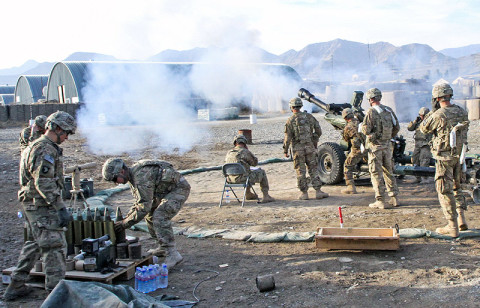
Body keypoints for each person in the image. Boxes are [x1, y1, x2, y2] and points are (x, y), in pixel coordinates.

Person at [4, 111, 75, 301]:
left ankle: (16, 285)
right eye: (66, 132)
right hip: (42, 205)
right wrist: (60, 207)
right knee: (54, 247)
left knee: (35, 244)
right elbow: (43, 182)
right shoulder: (45, 149)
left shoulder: (34, 145)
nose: (67, 137)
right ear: (57, 128)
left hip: (33, 205)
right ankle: (56, 297)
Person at [102, 158, 190, 269]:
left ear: (121, 171)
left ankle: (172, 253)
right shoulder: (132, 177)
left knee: (159, 216)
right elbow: (139, 203)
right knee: (150, 216)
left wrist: (125, 223)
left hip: (178, 189)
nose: (116, 183)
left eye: (115, 179)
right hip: (164, 191)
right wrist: (127, 217)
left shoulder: (140, 177)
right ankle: (162, 246)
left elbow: (144, 207)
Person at [420, 83, 469, 237]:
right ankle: (461, 219)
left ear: (437, 97)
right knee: (457, 187)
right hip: (459, 156)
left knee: (444, 190)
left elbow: (424, 128)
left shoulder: (438, 115)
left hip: (444, 158)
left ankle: (452, 226)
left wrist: (433, 111)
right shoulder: (461, 111)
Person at [362, 88, 400, 209]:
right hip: (387, 147)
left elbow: (366, 130)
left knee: (376, 173)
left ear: (371, 99)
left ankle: (380, 200)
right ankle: (394, 198)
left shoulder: (371, 112)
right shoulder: (388, 110)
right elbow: (396, 127)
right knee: (389, 172)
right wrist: (387, 138)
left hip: (375, 148)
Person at [283, 97, 328, 200]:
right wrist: (314, 140)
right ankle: (318, 191)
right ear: (300, 106)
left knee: (300, 171)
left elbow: (287, 138)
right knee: (313, 169)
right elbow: (318, 131)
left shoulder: (290, 121)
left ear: (291, 107)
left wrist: (285, 150)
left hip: (298, 150)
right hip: (310, 148)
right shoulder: (309, 117)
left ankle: (304, 193)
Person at [225, 134, 275, 203]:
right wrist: (248, 152)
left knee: (246, 171)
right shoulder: (245, 152)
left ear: (235, 143)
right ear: (245, 143)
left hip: (230, 178)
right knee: (261, 172)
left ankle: (248, 193)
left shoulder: (229, 153)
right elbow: (254, 163)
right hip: (243, 178)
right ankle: (266, 196)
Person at [341, 108, 366, 194]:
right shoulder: (361, 122)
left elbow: (346, 139)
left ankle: (350, 187)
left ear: (345, 118)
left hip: (357, 151)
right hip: (368, 149)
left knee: (347, 166)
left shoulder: (348, 127)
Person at [407, 107, 433, 183]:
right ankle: (417, 177)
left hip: (426, 144)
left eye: (423, 115)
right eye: (420, 115)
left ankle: (424, 178)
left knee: (424, 160)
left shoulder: (430, 122)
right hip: (417, 144)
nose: (421, 116)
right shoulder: (418, 122)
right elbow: (409, 128)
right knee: (414, 159)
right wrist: (415, 121)